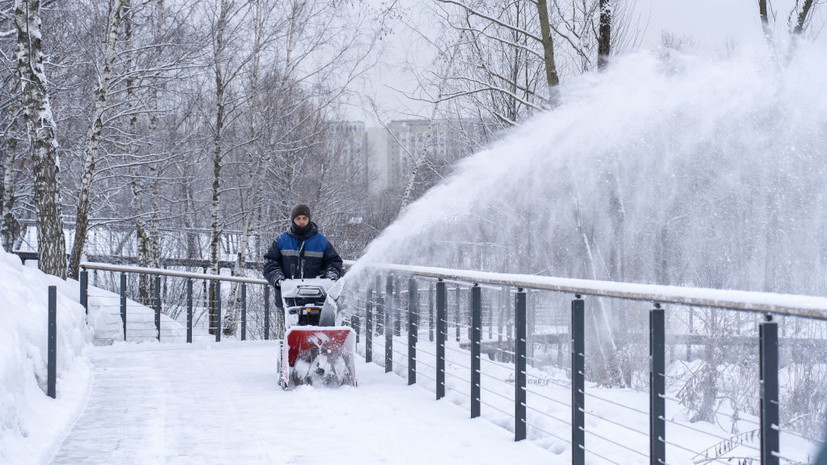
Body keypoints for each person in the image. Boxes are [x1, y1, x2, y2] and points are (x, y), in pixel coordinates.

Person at [263, 204, 343, 304]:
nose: (301, 221)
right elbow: (270, 263)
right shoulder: (281, 241)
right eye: (298, 218)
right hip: (289, 297)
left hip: (317, 298)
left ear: (309, 219)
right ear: (293, 220)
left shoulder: (321, 241)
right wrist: (278, 280)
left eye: (304, 218)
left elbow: (334, 262)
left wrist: (331, 276)